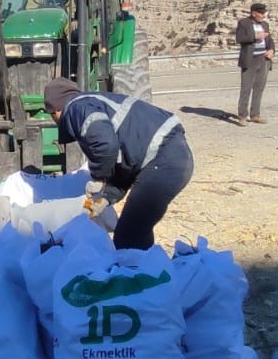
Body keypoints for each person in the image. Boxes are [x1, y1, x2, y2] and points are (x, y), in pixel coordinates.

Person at [44, 77, 194, 250]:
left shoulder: (76, 108)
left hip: (164, 160)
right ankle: (147, 269)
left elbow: (105, 145)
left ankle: (137, 273)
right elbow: (126, 162)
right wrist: (106, 197)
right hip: (170, 157)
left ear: (55, 110)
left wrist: (98, 177)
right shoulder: (90, 103)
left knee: (128, 238)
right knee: (136, 230)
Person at [234, 2, 274, 124]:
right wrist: (255, 36)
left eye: (264, 13)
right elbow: (239, 38)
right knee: (246, 88)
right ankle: (242, 116)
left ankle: (255, 114)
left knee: (259, 87)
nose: (263, 15)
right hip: (250, 59)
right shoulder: (244, 23)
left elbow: (270, 40)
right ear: (254, 13)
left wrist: (272, 50)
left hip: (263, 59)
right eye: (261, 13)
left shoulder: (265, 25)